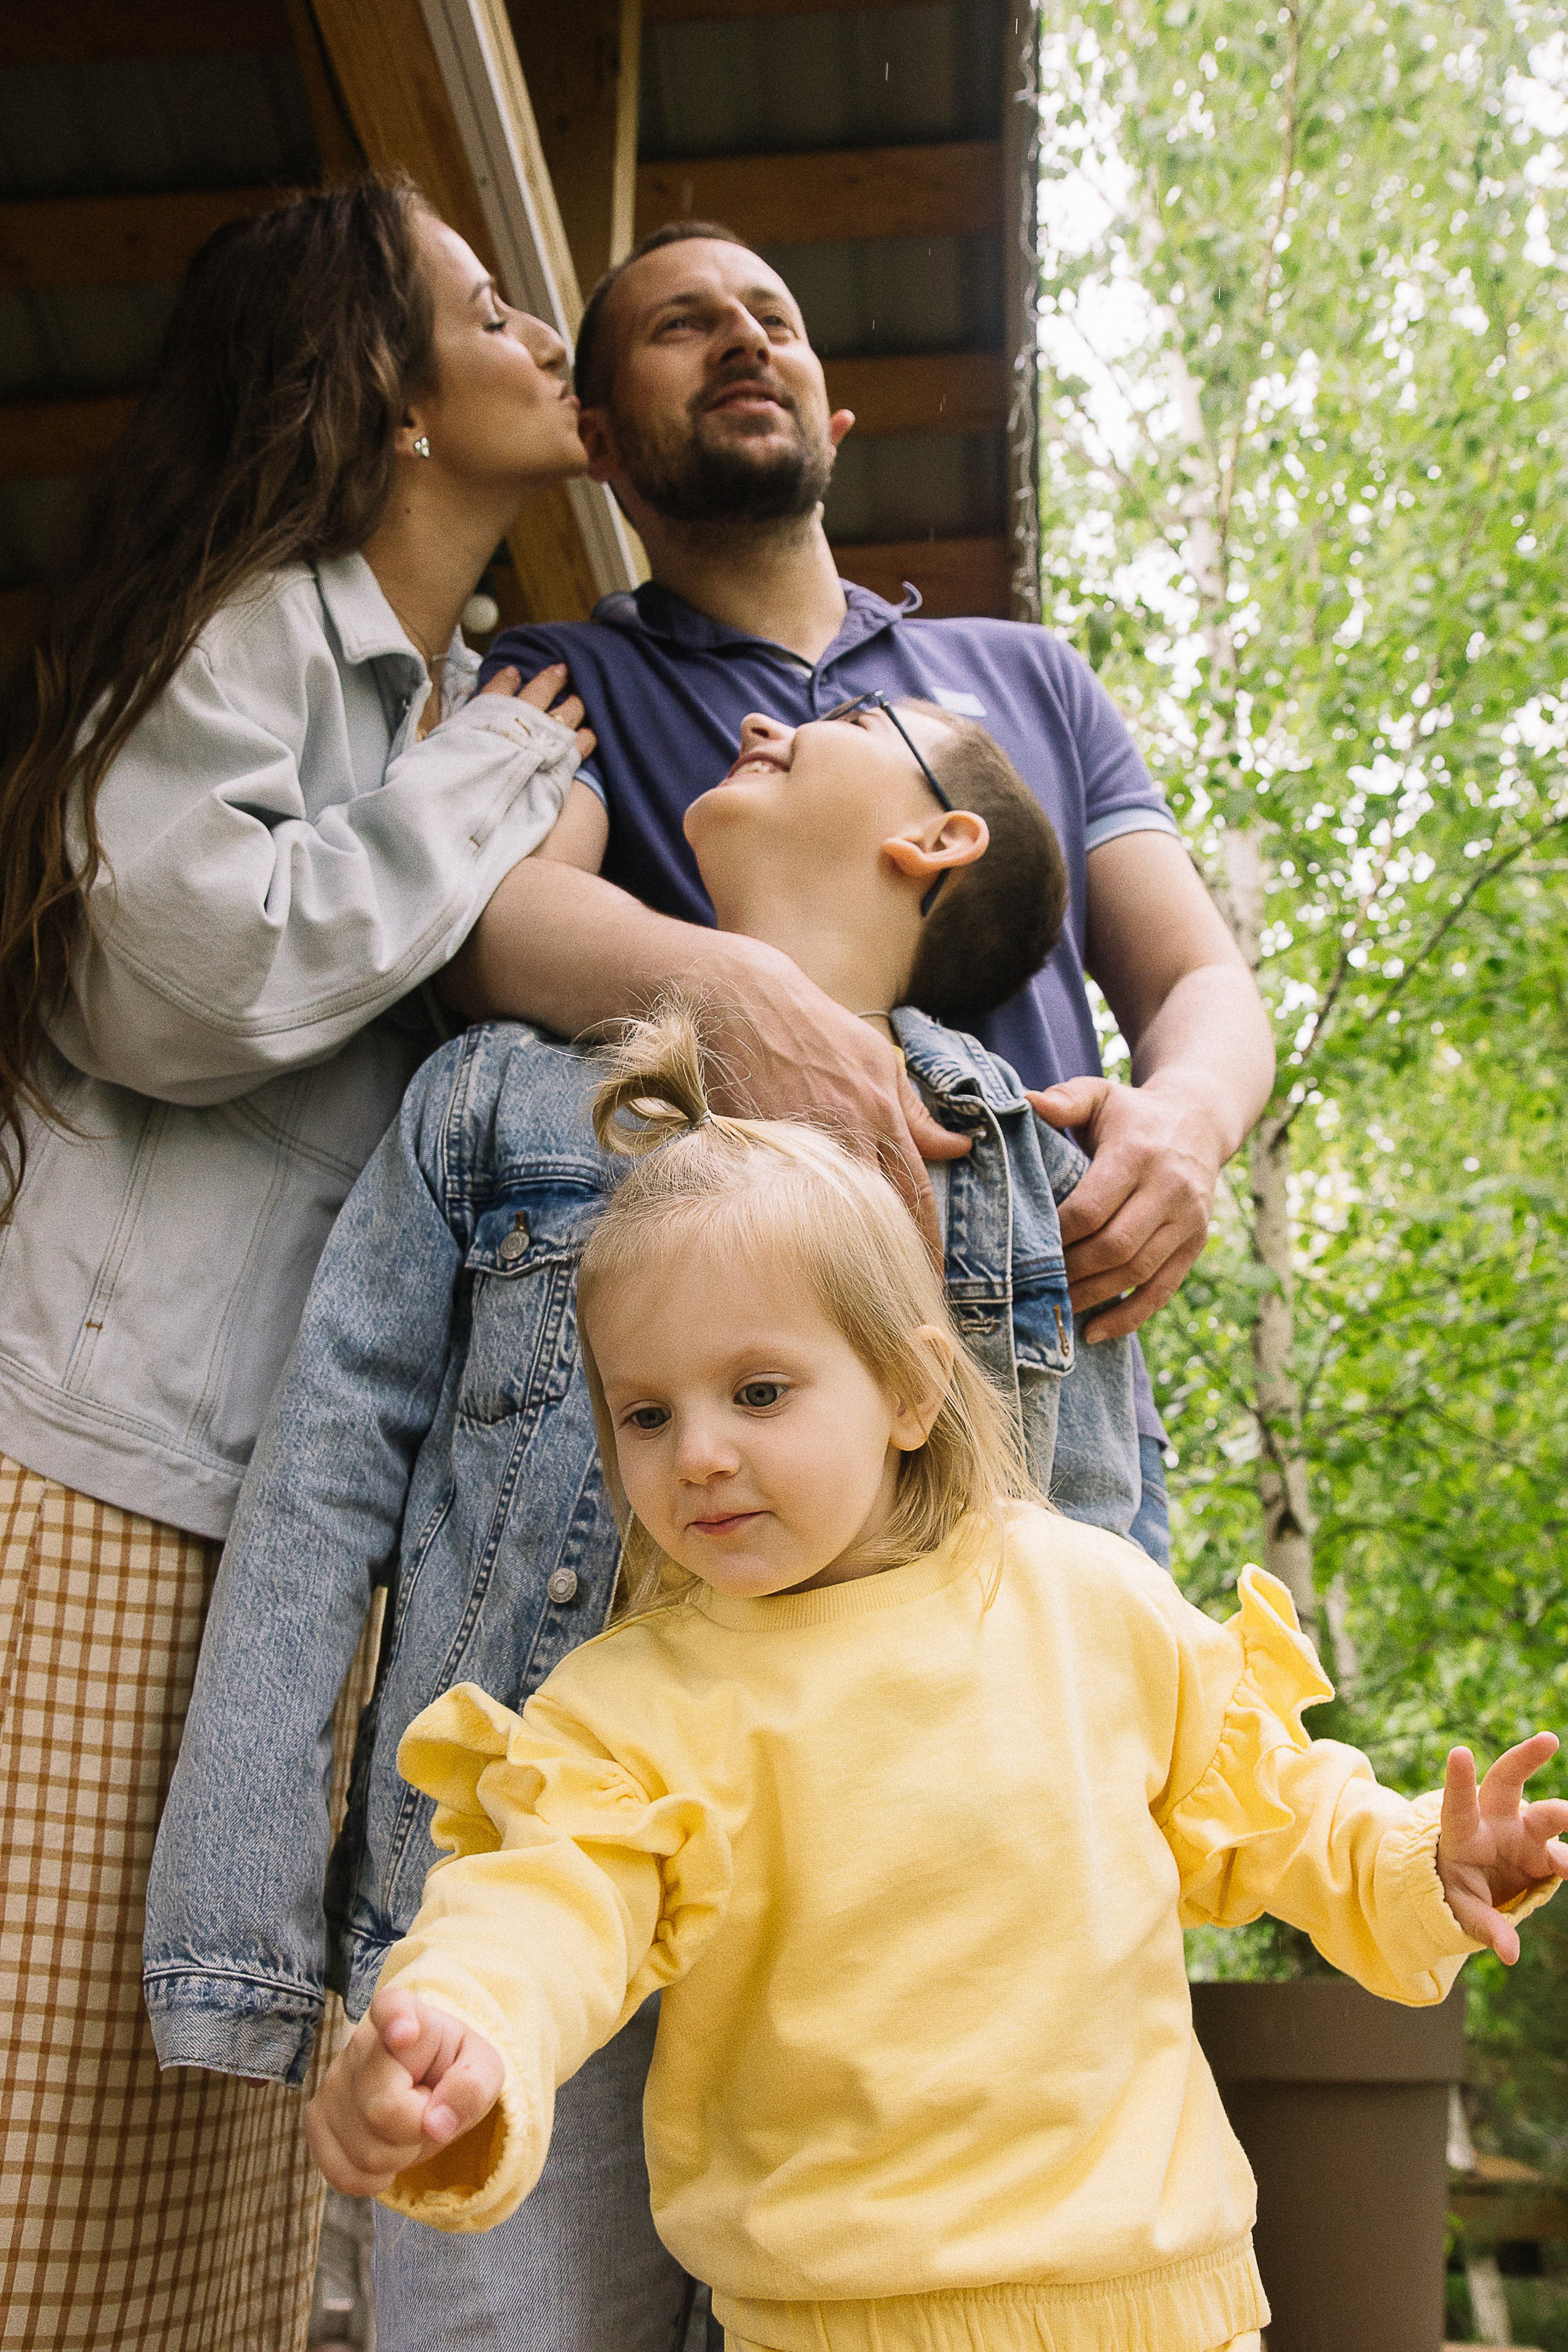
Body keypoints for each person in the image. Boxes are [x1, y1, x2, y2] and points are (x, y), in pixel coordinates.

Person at [306, 1003, 1566, 2352]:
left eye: (761, 1392)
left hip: (1153, 2308)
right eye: (647, 1413)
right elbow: (542, 1908)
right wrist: (460, 2028)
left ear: (908, 1394)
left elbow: (1271, 1806)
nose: (700, 1456)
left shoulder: (1081, 1602)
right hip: (824, 2324)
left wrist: (1417, 1859)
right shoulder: (632, 1710)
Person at [146, 693, 1143, 2351]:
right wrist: (242, 1937)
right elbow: (320, 1492)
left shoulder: (999, 1158)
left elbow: (1092, 1557)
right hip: (517, 1934)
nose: (763, 717)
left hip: (878, 1971)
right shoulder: (491, 1104)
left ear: (937, 839)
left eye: (844, 717)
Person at [0, 175, 594, 2351]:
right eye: (482, 299)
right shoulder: (258, 631)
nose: (540, 324)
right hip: (88, 1487)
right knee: (31, 2168)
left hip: (272, 1538)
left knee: (202, 2223)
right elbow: (179, 972)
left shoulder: (444, 698)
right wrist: (500, 771)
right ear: (387, 397)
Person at [454, 217, 1278, 1570]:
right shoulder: (564, 676)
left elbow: (1199, 979)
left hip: (1048, 1386)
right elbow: (501, 928)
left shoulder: (1031, 677)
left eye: (771, 317)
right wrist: (741, 993)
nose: (740, 335)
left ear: (829, 412)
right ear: (595, 442)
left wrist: (1182, 1126)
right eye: (680, 323)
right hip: (742, 1436)